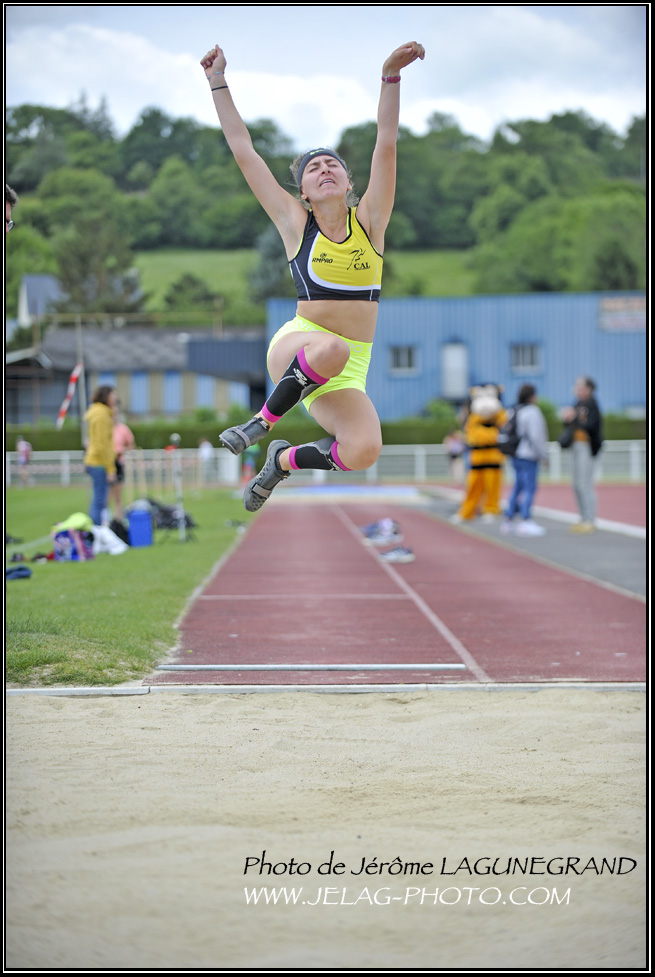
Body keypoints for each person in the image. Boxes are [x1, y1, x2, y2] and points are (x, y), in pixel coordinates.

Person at [200, 39, 425, 511]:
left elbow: (386, 143)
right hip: (299, 346)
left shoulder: (371, 222)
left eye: (332, 165)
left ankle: (282, 461)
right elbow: (244, 151)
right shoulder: (295, 225)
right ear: (302, 192)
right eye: (313, 168)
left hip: (350, 366)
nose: (324, 170)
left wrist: (391, 75)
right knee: (331, 347)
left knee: (364, 449)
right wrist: (217, 81)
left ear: (348, 182)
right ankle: (262, 423)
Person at [501, 385, 549, 536]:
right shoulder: (532, 411)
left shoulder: (512, 409)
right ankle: (525, 520)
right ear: (532, 396)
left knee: (518, 486)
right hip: (528, 454)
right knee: (529, 488)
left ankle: (508, 520)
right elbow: (536, 436)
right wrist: (544, 455)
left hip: (515, 453)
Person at [559, 377, 603, 533]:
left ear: (588, 389)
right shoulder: (577, 403)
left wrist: (575, 418)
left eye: (580, 386)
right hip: (575, 446)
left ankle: (590, 519)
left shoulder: (592, 404)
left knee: (585, 484)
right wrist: (568, 418)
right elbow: (570, 426)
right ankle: (583, 517)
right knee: (577, 484)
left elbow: (591, 425)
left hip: (587, 447)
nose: (577, 389)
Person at [84, 386, 117, 526]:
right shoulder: (102, 415)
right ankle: (95, 532)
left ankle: (95, 530)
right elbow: (102, 445)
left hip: (94, 461)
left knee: (98, 500)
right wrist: (110, 468)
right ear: (106, 396)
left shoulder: (96, 412)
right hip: (99, 463)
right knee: (99, 501)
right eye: (113, 395)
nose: (115, 398)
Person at [111, 404, 135, 521]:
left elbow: (131, 444)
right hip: (106, 463)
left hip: (118, 463)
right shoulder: (104, 428)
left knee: (118, 495)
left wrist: (122, 450)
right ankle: (105, 521)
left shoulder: (123, 429)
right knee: (105, 496)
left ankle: (118, 520)